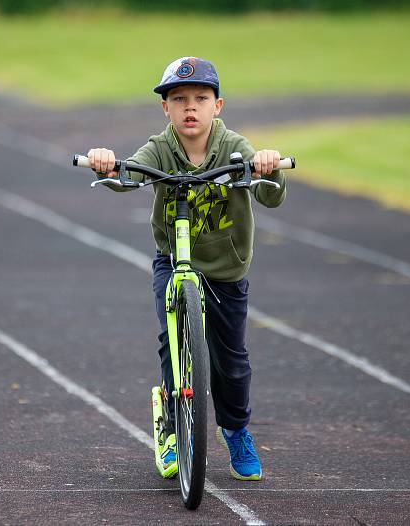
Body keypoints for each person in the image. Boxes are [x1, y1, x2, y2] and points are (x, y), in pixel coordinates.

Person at [86, 57, 286, 481]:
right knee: (172, 345)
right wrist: (107, 163)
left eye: (200, 98)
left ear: (218, 105)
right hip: (172, 260)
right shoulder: (160, 148)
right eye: (179, 100)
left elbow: (270, 196)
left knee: (231, 361)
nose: (190, 107)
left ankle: (235, 431)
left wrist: (267, 165)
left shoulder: (234, 146)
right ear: (166, 108)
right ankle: (172, 429)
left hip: (226, 267)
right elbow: (127, 175)